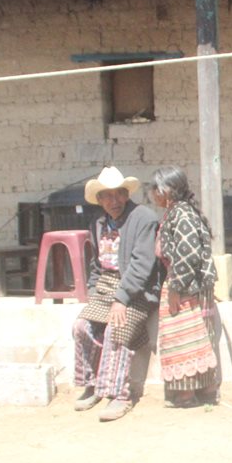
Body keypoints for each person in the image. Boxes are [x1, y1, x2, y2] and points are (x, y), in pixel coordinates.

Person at [72, 166, 161, 422]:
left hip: (136, 289)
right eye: (106, 196)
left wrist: (121, 299)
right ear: (99, 200)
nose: (113, 201)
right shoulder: (98, 223)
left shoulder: (143, 218)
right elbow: (96, 265)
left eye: (118, 195)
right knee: (81, 326)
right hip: (105, 288)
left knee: (116, 328)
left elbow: (142, 264)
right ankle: (93, 383)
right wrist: (92, 291)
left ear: (125, 194)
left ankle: (121, 395)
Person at [149, 166, 221, 407]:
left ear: (167, 191)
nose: (152, 194)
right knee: (190, 338)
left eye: (155, 189)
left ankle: (191, 394)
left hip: (190, 285)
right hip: (186, 282)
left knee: (188, 339)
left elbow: (188, 254)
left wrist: (177, 289)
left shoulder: (182, 214)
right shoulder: (175, 212)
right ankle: (196, 393)